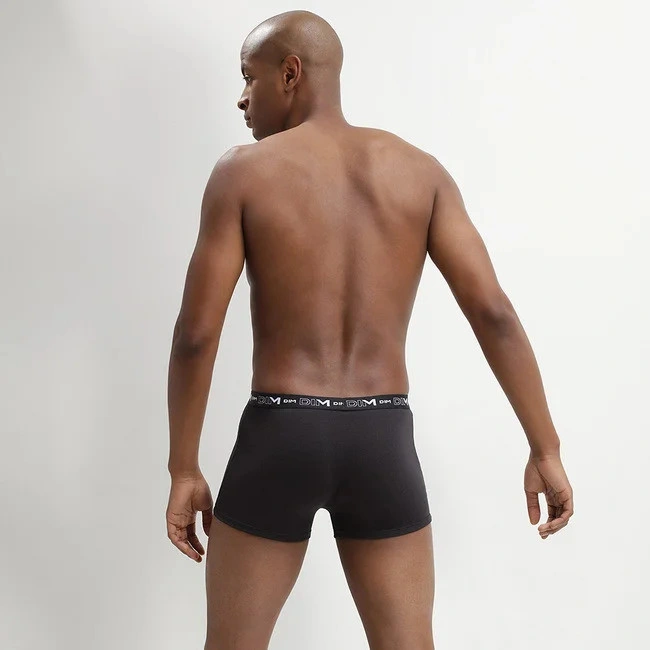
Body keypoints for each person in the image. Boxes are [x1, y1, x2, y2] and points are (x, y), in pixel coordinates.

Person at [166, 9, 574, 650]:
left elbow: (196, 334)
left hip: (280, 432)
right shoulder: (421, 172)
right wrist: (545, 447)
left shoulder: (242, 172)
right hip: (382, 437)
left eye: (249, 77)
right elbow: (493, 312)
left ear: (291, 74)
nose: (241, 98)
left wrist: (183, 467)